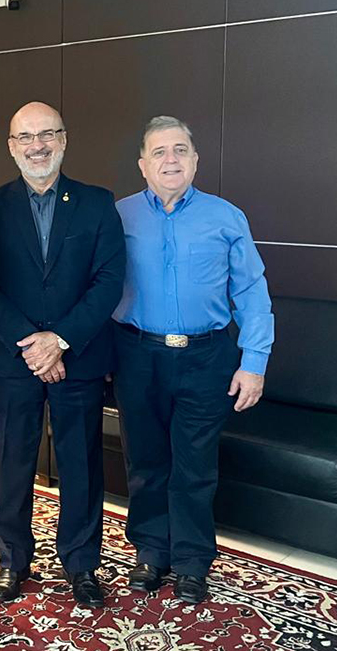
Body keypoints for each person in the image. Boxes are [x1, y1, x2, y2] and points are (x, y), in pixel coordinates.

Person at [112, 115, 273, 604]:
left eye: (180, 150)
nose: (170, 160)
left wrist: (255, 361)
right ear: (142, 164)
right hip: (136, 353)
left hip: (207, 356)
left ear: (196, 160)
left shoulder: (227, 217)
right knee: (144, 460)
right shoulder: (118, 215)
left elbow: (250, 290)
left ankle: (191, 561)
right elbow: (97, 285)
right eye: (159, 152)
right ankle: (149, 552)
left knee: (195, 464)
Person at [0, 102, 125, 609]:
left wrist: (59, 340)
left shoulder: (98, 203)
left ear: (64, 139)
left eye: (47, 134)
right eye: (25, 137)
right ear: (11, 146)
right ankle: (12, 559)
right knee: (12, 459)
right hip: (14, 358)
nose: (37, 145)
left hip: (77, 357)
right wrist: (32, 344)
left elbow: (108, 284)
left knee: (80, 462)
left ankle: (82, 564)